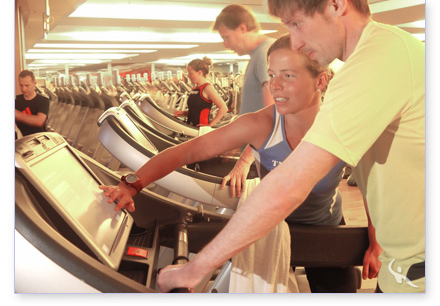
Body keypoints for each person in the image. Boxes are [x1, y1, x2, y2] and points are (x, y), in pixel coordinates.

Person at [155, 0, 425, 294]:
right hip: (403, 264)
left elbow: (290, 184)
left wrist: (196, 269)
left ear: (336, 2)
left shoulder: (381, 58)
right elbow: (375, 177)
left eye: (297, 23)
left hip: (418, 270)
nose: (295, 40)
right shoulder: (375, 58)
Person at [100, 35, 381, 293]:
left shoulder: (342, 126)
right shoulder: (260, 124)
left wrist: (375, 241)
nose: (276, 85)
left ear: (321, 81)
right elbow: (185, 153)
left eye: (289, 75)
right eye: (272, 75)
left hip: (325, 226)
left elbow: (373, 188)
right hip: (269, 225)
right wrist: (131, 185)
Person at [212, 4, 275, 115]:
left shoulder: (264, 53)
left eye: (226, 37)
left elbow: (273, 112)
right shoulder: (257, 55)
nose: (225, 45)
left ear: (242, 29)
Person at [174, 57, 228, 127]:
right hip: (191, 128)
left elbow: (224, 108)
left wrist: (210, 125)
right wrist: (183, 113)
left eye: (190, 73)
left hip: (201, 130)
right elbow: (196, 111)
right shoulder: (195, 88)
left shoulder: (208, 88)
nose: (188, 76)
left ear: (199, 72)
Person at [15, 70, 50, 137]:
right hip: (22, 141)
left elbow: (39, 121)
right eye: (21, 85)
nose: (24, 89)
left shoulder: (43, 100)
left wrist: (16, 114)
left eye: (27, 85)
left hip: (39, 140)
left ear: (34, 84)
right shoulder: (15, 100)